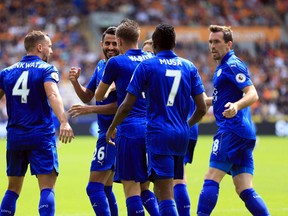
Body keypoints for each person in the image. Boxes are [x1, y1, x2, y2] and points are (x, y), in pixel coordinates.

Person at [105, 23, 207, 216]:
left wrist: (113, 126)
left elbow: (126, 105)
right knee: (168, 187)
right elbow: (201, 108)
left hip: (158, 133)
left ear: (156, 44)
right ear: (174, 43)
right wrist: (187, 125)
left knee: (164, 193)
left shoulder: (147, 66)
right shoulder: (189, 66)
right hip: (181, 135)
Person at [196, 25, 270, 216]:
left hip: (232, 130)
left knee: (211, 178)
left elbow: (252, 94)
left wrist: (236, 106)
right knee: (244, 188)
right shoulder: (223, 67)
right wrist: (207, 101)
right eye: (210, 42)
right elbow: (225, 97)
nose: (212, 46)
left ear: (228, 44)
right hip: (244, 134)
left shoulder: (232, 64)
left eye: (217, 42)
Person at [0, 30, 74, 216]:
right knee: (47, 187)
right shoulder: (46, 69)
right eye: (49, 46)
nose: (50, 50)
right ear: (40, 47)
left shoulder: (7, 72)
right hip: (40, 135)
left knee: (12, 189)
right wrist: (64, 121)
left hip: (15, 136)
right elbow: (53, 94)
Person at [95, 18, 159, 216]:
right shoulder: (151, 59)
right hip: (154, 128)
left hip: (130, 129)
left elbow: (98, 96)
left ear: (120, 41)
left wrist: (112, 87)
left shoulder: (115, 62)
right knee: (147, 187)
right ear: (139, 38)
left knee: (131, 188)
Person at [68, 26, 119, 216]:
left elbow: (122, 105)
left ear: (121, 43)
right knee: (106, 188)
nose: (111, 47)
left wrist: (90, 109)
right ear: (101, 44)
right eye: (108, 43)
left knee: (94, 188)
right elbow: (88, 95)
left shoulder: (121, 67)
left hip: (113, 133)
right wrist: (75, 82)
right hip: (107, 132)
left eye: (115, 43)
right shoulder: (101, 66)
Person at [173, 97, 199, 216]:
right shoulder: (191, 77)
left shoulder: (161, 77)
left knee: (164, 181)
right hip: (190, 130)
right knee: (180, 176)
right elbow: (203, 104)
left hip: (172, 127)